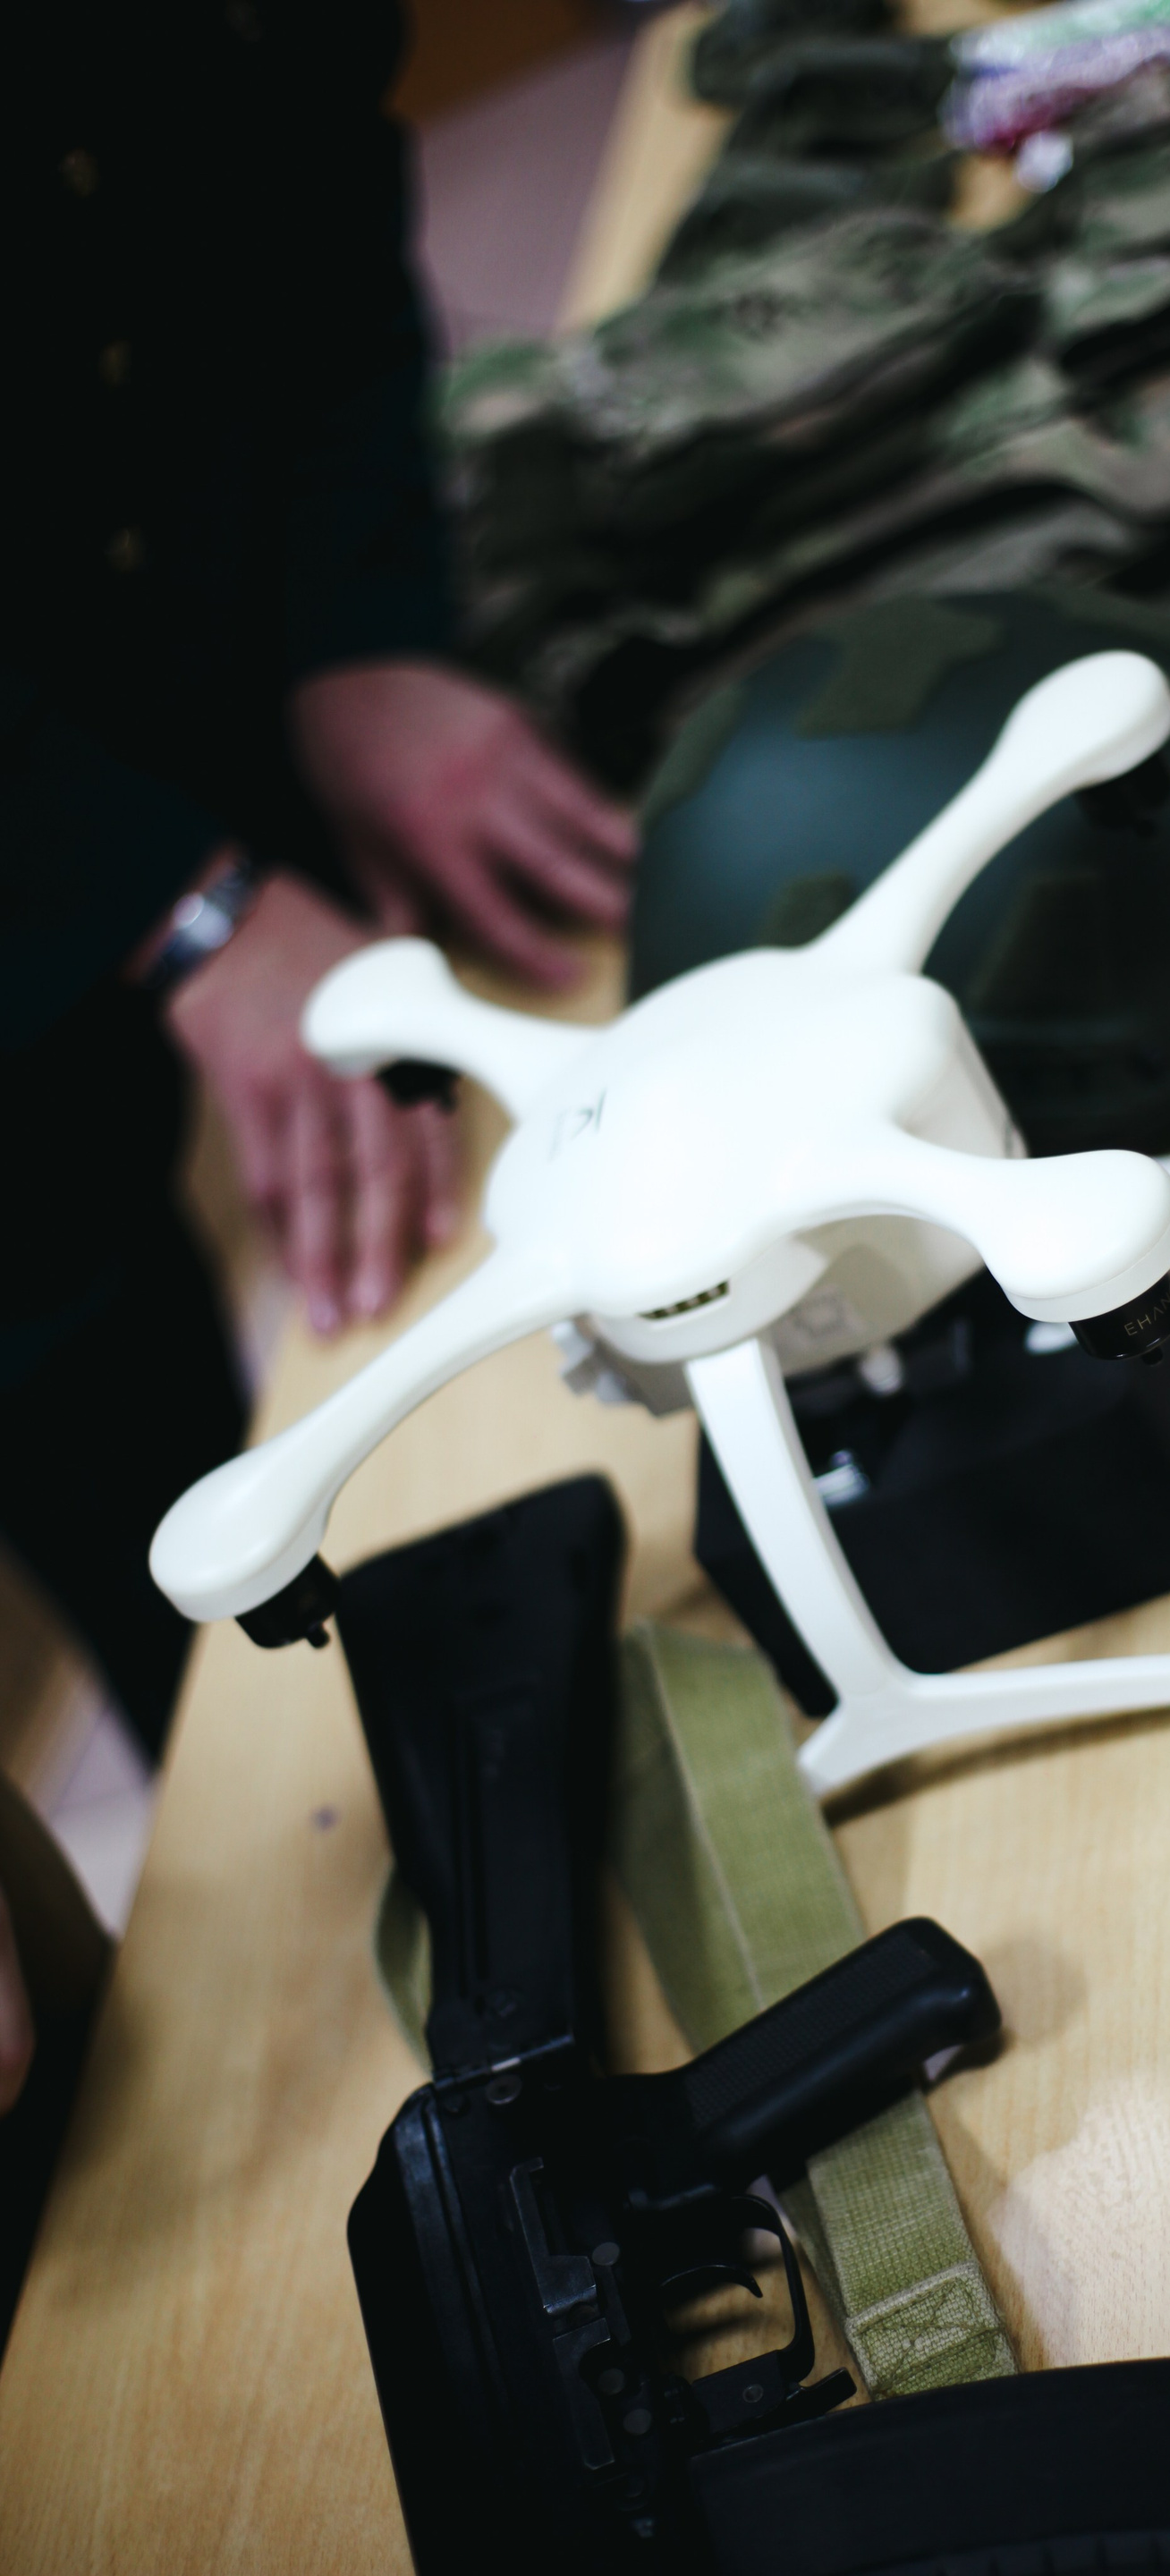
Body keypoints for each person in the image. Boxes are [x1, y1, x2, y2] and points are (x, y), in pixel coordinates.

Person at [2, 0, 636, 1801]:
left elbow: (302, 167)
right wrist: (163, 896)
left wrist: (358, 626)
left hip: (197, 597)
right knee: (103, 1393)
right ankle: (321, 1811)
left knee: (425, 1187)